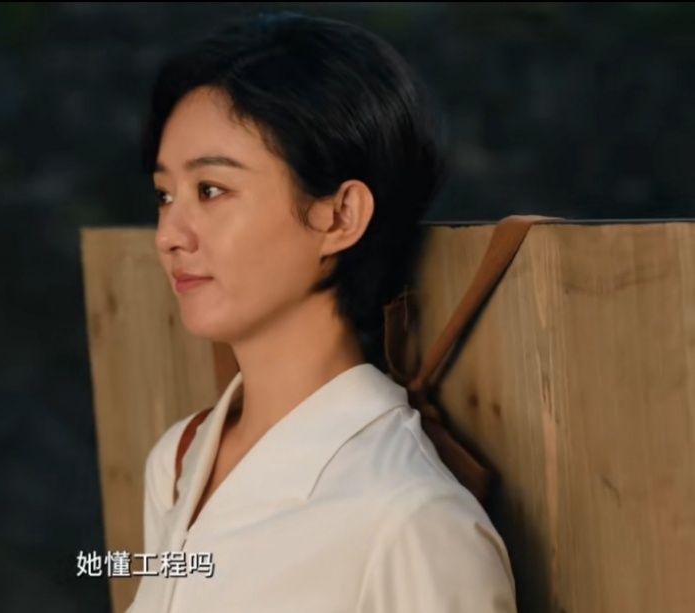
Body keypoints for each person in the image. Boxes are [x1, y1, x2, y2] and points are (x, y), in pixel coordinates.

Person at [126, 11, 516, 613]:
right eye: (164, 195)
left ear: (339, 216)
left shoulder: (408, 519)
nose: (169, 235)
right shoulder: (178, 460)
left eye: (211, 190)